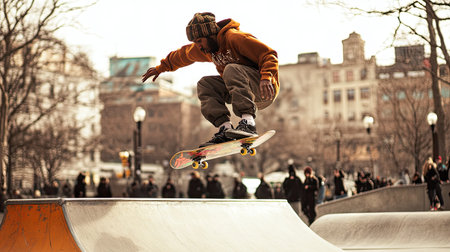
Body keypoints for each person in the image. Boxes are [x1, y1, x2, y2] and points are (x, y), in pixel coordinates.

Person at [142, 12, 279, 147]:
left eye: (200, 41)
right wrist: (161, 68)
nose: (199, 46)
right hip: (241, 89)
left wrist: (266, 77)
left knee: (231, 69)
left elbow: (269, 55)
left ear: (211, 35)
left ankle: (248, 123)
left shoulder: (235, 38)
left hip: (263, 88)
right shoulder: (206, 50)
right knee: (205, 84)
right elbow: (182, 55)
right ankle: (225, 128)